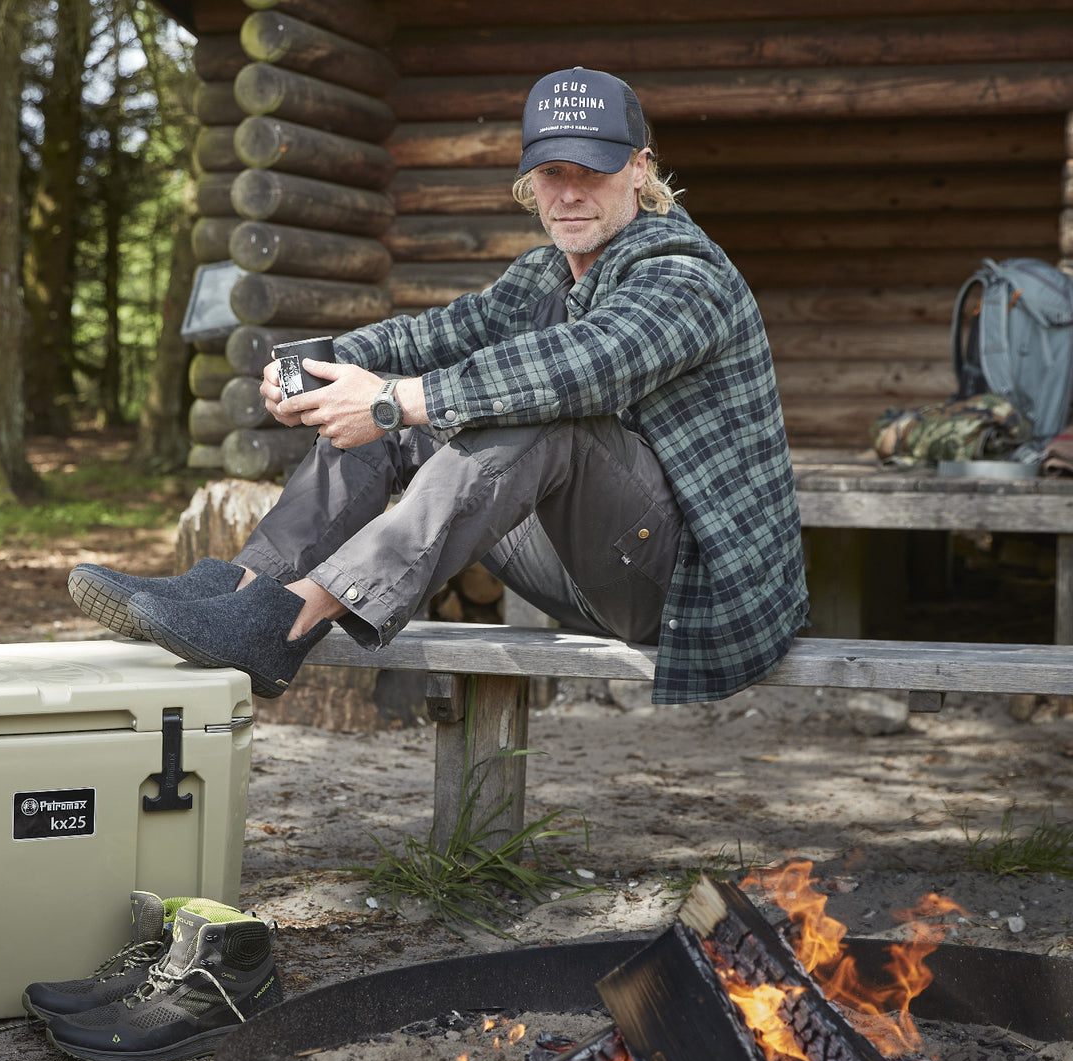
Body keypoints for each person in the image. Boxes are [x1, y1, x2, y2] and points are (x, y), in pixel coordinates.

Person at [68, 66, 808, 706]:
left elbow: (584, 366)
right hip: (583, 564)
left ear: (640, 170)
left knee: (543, 412)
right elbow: (435, 335)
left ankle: (285, 623)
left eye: (596, 169)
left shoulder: (683, 272)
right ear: (531, 178)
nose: (572, 192)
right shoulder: (545, 274)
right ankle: (239, 592)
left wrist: (389, 400)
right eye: (555, 171)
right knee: (411, 408)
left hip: (687, 591)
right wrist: (324, 367)